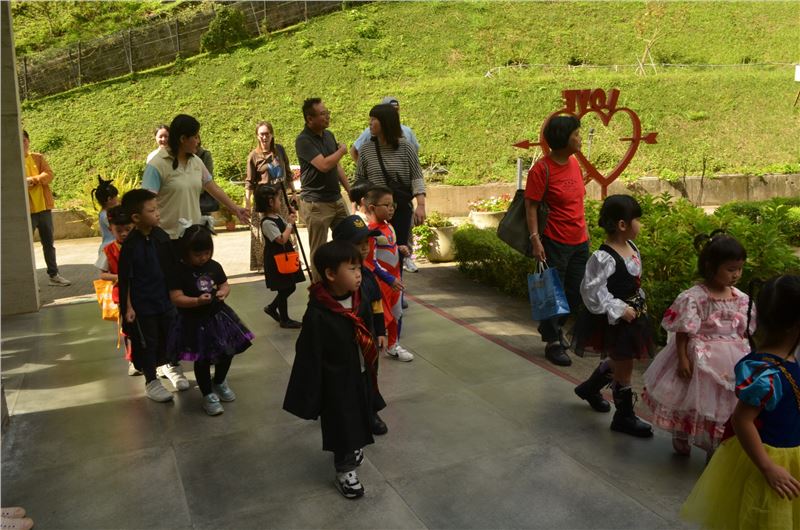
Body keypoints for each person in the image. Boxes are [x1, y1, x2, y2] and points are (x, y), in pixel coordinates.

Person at [681, 275, 800, 529]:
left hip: (792, 456)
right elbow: (742, 420)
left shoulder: (790, 359)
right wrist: (767, 467)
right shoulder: (766, 372)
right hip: (769, 461)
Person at [283, 240, 384, 499]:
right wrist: (314, 387)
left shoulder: (359, 299)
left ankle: (354, 446)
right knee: (342, 422)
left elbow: (369, 325)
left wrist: (377, 339)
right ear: (330, 274)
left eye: (359, 268)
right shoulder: (318, 313)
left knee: (360, 412)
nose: (359, 274)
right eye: (352, 269)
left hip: (361, 371)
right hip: (336, 380)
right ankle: (345, 470)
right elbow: (308, 351)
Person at [642, 233, 751, 459]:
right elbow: (683, 331)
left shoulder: (740, 298)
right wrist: (683, 358)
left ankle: (715, 445)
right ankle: (682, 433)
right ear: (710, 266)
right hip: (700, 357)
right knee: (690, 399)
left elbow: (744, 329)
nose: (736, 275)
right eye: (730, 269)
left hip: (732, 358)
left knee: (723, 404)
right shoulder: (695, 297)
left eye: (739, 269)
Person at [572, 195, 654, 438]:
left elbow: (632, 280)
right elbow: (592, 290)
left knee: (620, 360)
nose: (640, 224)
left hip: (633, 315)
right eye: (637, 219)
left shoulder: (632, 247)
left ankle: (590, 388)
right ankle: (624, 416)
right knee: (624, 365)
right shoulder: (603, 257)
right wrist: (617, 308)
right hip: (616, 321)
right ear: (622, 224)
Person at [167, 224, 253, 416]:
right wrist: (196, 301)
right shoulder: (178, 270)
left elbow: (224, 284)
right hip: (193, 322)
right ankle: (207, 394)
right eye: (198, 254)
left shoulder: (214, 266)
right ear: (186, 252)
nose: (203, 258)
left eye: (207, 253)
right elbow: (176, 297)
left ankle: (219, 381)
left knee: (227, 351)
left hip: (218, 317)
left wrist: (223, 292)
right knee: (203, 358)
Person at [525, 115, 588, 366]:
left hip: (580, 240)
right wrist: (535, 239)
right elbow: (531, 206)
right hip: (555, 241)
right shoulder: (542, 170)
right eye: (576, 134)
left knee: (575, 292)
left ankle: (551, 327)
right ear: (564, 139)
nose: (580, 138)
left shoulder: (574, 163)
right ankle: (552, 341)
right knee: (553, 294)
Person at [142, 114, 248, 240]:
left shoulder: (196, 162)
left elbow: (212, 187)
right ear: (183, 139)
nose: (198, 141)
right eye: (195, 137)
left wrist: (235, 209)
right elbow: (146, 203)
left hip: (192, 238)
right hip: (166, 239)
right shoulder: (156, 165)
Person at [118, 189, 177, 403]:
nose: (157, 213)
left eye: (157, 208)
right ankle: (151, 381)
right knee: (147, 342)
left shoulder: (161, 236)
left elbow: (172, 267)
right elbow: (126, 280)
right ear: (136, 217)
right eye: (151, 210)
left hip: (165, 301)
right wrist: (128, 307)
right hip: (143, 306)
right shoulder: (131, 245)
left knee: (169, 336)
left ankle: (169, 366)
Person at [332, 214, 390, 435]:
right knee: (348, 378)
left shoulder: (368, 275)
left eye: (367, 242)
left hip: (368, 338)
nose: (365, 247)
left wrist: (381, 332)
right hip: (345, 341)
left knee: (369, 374)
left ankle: (371, 411)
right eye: (358, 243)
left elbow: (376, 305)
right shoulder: (335, 280)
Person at [352, 104, 426, 272]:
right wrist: (358, 205)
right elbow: (359, 179)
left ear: (386, 122)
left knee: (398, 251)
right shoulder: (366, 150)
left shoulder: (406, 147)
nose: (370, 123)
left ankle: (396, 285)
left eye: (374, 119)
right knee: (373, 250)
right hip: (373, 210)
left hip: (399, 208)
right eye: (370, 119)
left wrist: (421, 205)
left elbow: (417, 177)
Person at [295, 98, 351, 282]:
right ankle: (319, 290)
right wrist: (341, 151)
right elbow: (324, 165)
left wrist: (350, 190)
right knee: (319, 251)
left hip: (336, 199)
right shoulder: (303, 141)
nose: (327, 116)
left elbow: (336, 166)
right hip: (316, 204)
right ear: (309, 119)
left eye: (327, 112)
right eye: (322, 114)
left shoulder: (329, 135)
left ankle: (344, 282)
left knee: (349, 241)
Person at [364, 187, 413, 362]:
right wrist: (388, 278)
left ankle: (393, 345)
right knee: (381, 317)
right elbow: (370, 262)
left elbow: (390, 249)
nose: (391, 209)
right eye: (387, 205)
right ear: (372, 208)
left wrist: (400, 249)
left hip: (395, 281)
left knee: (397, 314)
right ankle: (370, 345)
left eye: (393, 205)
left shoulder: (389, 226)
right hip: (382, 283)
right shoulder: (371, 232)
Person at [22, 130, 71, 286]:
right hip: (27, 211)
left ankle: (54, 275)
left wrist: (33, 180)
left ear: (28, 141)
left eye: (24, 140)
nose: (22, 144)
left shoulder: (38, 158)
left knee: (48, 244)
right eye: (19, 141)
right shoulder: (13, 163)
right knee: (25, 247)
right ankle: (29, 281)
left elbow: (49, 175)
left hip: (44, 208)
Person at [94, 206, 138, 376]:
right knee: (128, 327)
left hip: (143, 291)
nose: (124, 234)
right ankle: (132, 359)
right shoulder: (109, 250)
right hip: (122, 294)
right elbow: (102, 274)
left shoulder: (140, 245)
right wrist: (119, 277)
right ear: (111, 229)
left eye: (128, 229)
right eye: (119, 231)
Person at [246, 121, 295, 271]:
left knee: (285, 226)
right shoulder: (253, 156)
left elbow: (288, 172)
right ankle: (263, 263)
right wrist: (247, 203)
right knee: (263, 232)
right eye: (261, 134)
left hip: (280, 196)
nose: (264, 137)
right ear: (257, 136)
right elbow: (249, 182)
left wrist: (293, 192)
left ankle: (289, 258)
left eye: (267, 134)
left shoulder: (279, 150)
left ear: (272, 135)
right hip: (263, 199)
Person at [255, 184, 305, 329]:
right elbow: (281, 239)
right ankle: (284, 319)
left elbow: (289, 231)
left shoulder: (277, 217)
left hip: (285, 255)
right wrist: (289, 224)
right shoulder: (267, 222)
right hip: (276, 259)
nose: (280, 203)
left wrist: (291, 219)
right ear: (271, 202)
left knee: (290, 286)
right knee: (284, 288)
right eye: (278, 200)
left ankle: (272, 308)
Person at [349, 96, 419, 163]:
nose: (395, 113)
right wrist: (364, 169)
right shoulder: (371, 132)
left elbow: (415, 152)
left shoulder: (407, 131)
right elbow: (353, 151)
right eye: (391, 111)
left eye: (396, 110)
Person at [91, 176, 120, 255]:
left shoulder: (106, 213)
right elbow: (118, 228)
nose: (118, 199)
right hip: (110, 249)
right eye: (116, 196)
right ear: (109, 199)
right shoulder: (105, 215)